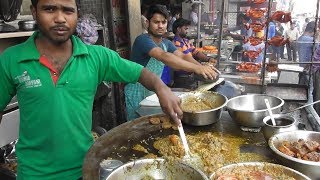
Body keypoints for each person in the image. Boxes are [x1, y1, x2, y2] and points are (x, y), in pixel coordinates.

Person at [0, 0, 183, 179]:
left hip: (86, 167)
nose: (60, 18)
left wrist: (161, 88)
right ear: (34, 12)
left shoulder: (96, 56)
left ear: (77, 14)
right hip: (33, 174)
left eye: (68, 10)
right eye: (49, 9)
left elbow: (140, 72)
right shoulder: (11, 59)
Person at [125, 5, 218, 120]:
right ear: (148, 23)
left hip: (151, 90)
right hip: (136, 91)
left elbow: (183, 57)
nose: (160, 26)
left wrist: (202, 68)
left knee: (153, 123)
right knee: (137, 127)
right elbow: (164, 56)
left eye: (163, 22)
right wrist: (196, 69)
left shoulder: (166, 43)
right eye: (156, 22)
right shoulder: (143, 40)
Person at [172, 18, 217, 88]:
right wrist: (201, 67)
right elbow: (187, 58)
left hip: (191, 74)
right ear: (178, 29)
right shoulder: (176, 44)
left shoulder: (185, 41)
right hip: (182, 78)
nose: (187, 31)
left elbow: (196, 52)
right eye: (185, 29)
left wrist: (208, 59)